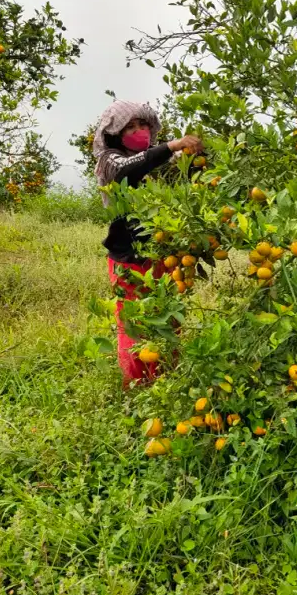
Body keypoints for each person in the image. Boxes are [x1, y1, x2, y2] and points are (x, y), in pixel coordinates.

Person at [93, 100, 202, 387]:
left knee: (167, 317)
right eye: (130, 126)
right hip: (128, 255)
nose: (139, 131)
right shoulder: (110, 160)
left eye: (143, 125)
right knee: (134, 322)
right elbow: (129, 169)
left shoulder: (156, 159)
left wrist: (194, 152)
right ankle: (138, 384)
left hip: (161, 253)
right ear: (115, 132)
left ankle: (167, 379)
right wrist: (171, 146)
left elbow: (184, 170)